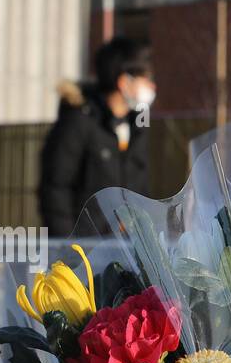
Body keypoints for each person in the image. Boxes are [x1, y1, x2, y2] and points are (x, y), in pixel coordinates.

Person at [38, 37, 155, 236]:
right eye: (146, 79)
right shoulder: (78, 121)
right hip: (85, 249)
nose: (152, 86)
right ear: (123, 82)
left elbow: (140, 189)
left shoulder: (137, 127)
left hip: (125, 250)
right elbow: (55, 188)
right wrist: (69, 247)